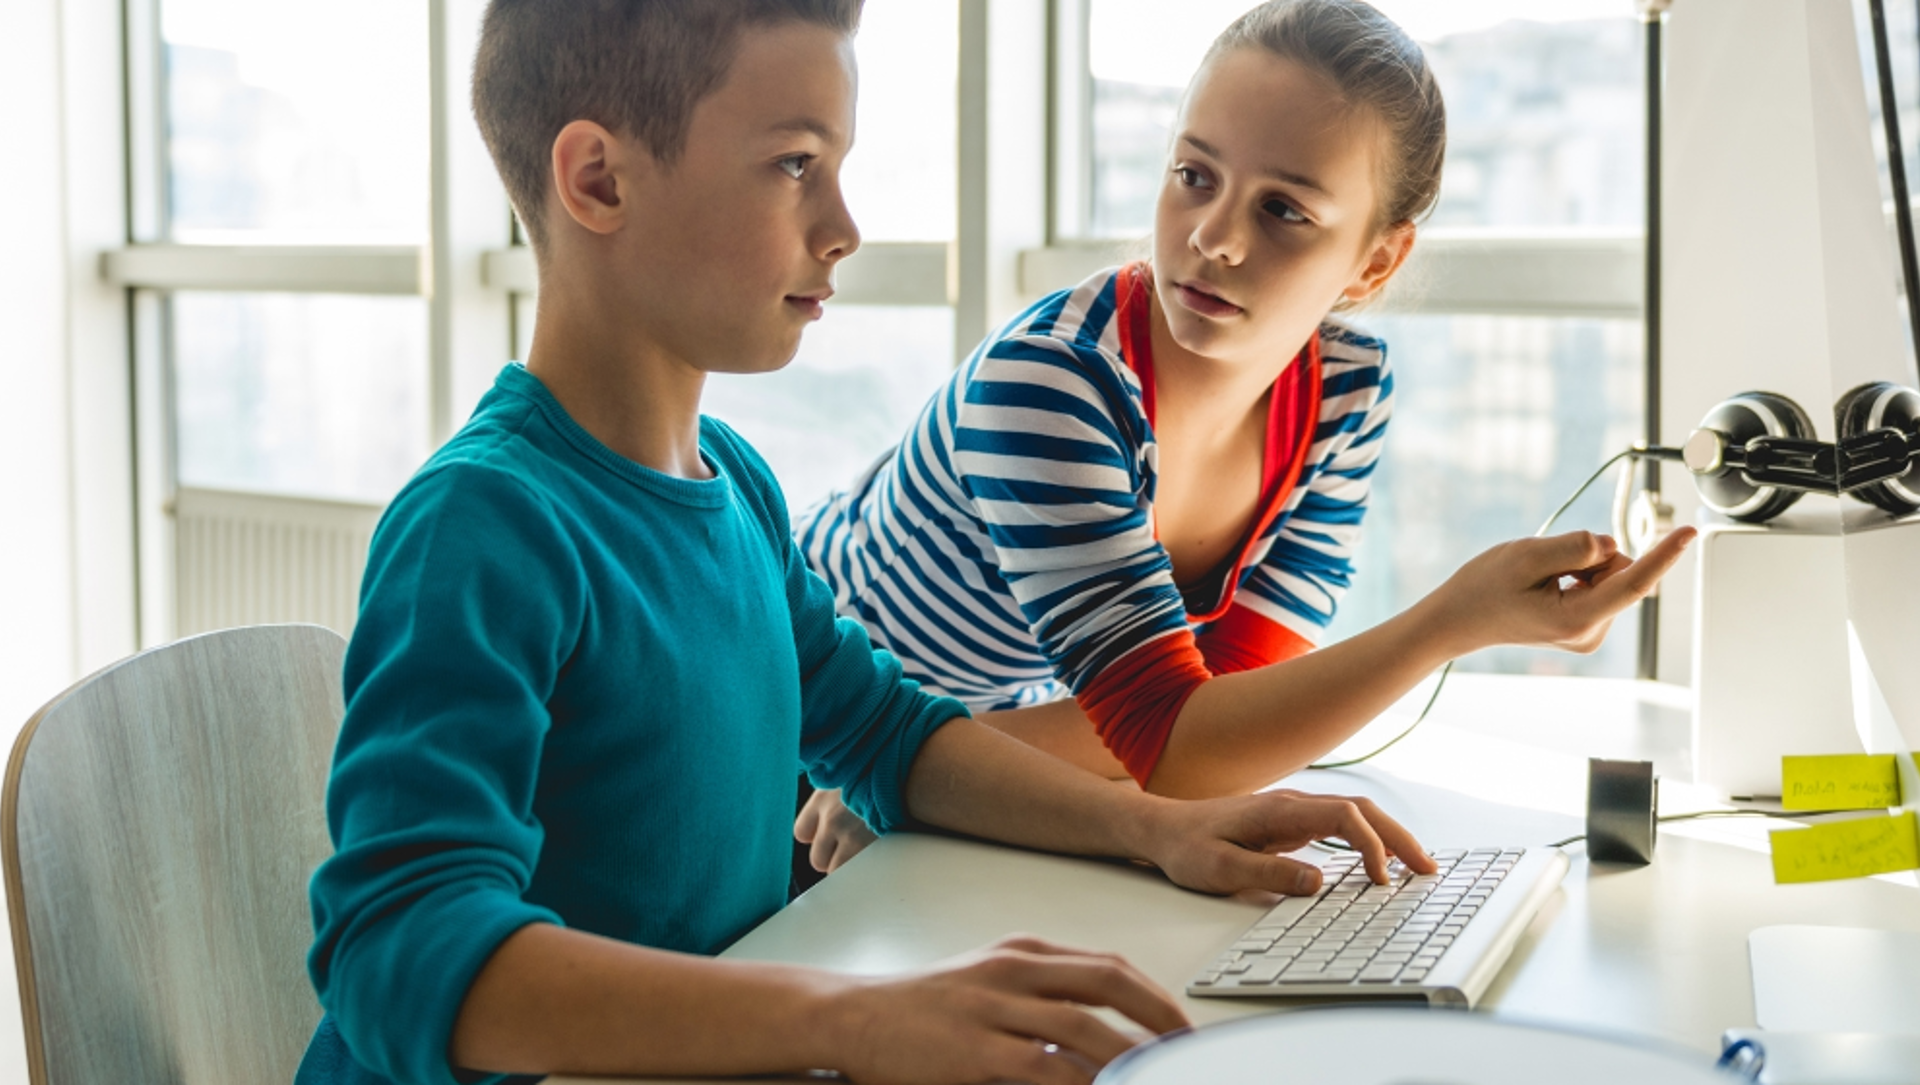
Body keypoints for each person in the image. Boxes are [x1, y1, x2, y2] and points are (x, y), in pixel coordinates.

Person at [295, 3, 1443, 1085]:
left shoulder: (731, 481)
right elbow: (395, 948)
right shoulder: (485, 524)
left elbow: (891, 734)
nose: (844, 228)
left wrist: (1161, 829)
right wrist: (854, 1017)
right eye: (796, 165)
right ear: (600, 179)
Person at [791, 0, 1695, 873]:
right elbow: (1183, 744)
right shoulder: (1053, 382)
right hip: (793, 748)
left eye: (1284, 210)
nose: (1214, 238)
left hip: (925, 775)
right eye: (1195, 176)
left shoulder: (1345, 389)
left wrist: (947, 771)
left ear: (1376, 260)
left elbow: (1224, 716)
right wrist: (1455, 619)